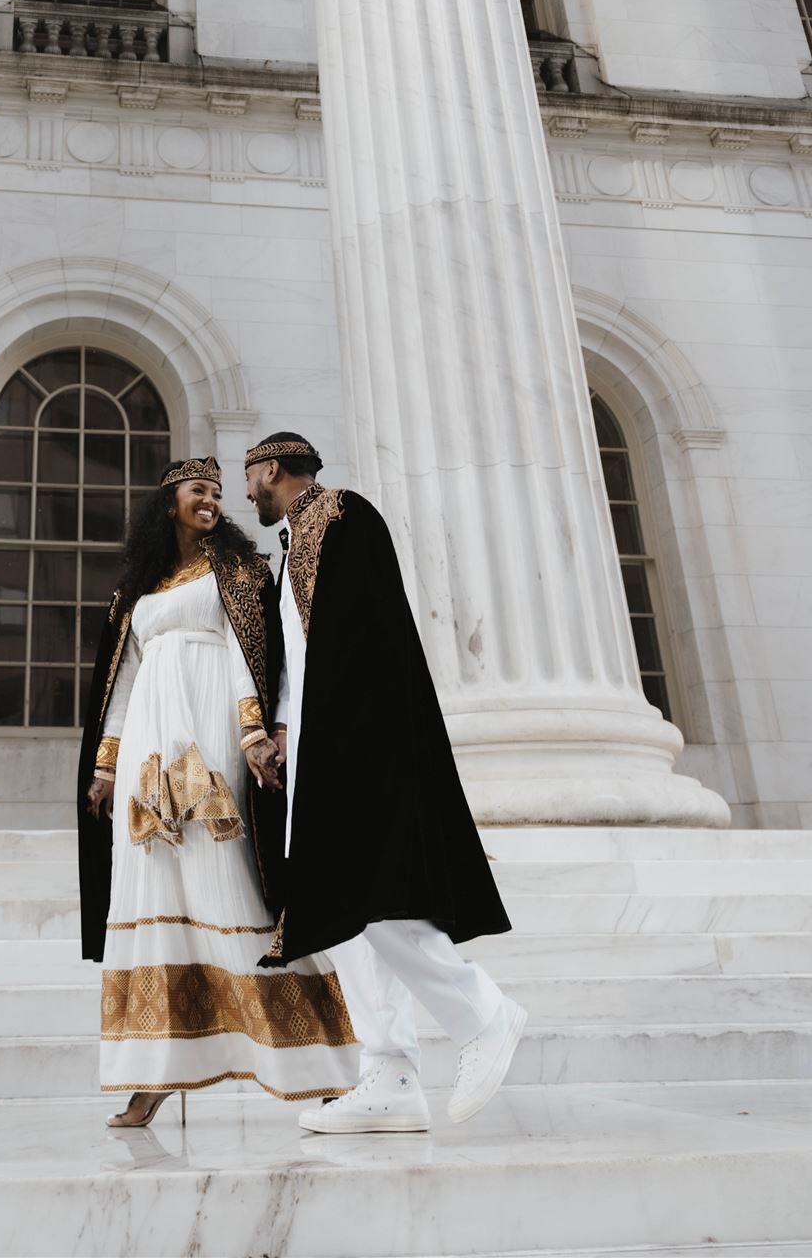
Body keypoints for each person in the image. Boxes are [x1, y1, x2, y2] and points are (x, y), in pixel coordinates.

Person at [244, 431, 526, 1134]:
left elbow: (372, 640)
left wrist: (345, 739)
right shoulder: (291, 544)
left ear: (270, 469)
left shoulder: (343, 515)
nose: (246, 489)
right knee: (340, 915)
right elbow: (298, 653)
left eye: (248, 476)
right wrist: (278, 729)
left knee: (368, 891)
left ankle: (481, 1014)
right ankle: (389, 1072)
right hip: (314, 742)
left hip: (358, 739)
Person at [78, 457, 357, 1126]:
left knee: (226, 881)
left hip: (208, 732)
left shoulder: (235, 570)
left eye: (215, 493)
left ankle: (318, 1064)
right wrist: (107, 766)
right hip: (149, 736)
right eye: (197, 491)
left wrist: (253, 732)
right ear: (169, 501)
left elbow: (247, 652)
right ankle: (150, 1075)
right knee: (148, 891)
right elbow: (120, 682)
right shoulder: (138, 587)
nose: (209, 501)